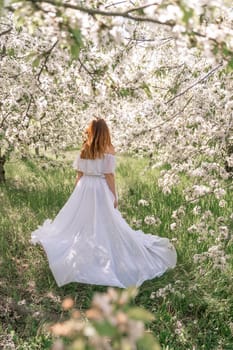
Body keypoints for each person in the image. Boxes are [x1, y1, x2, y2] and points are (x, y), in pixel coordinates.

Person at [31, 118, 177, 288]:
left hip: (84, 186)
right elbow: (109, 175)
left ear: (91, 132)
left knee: (83, 219)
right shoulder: (108, 150)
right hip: (99, 187)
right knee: (104, 220)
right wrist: (114, 196)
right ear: (105, 132)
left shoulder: (84, 149)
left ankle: (86, 245)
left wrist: (77, 193)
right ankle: (100, 248)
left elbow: (79, 175)